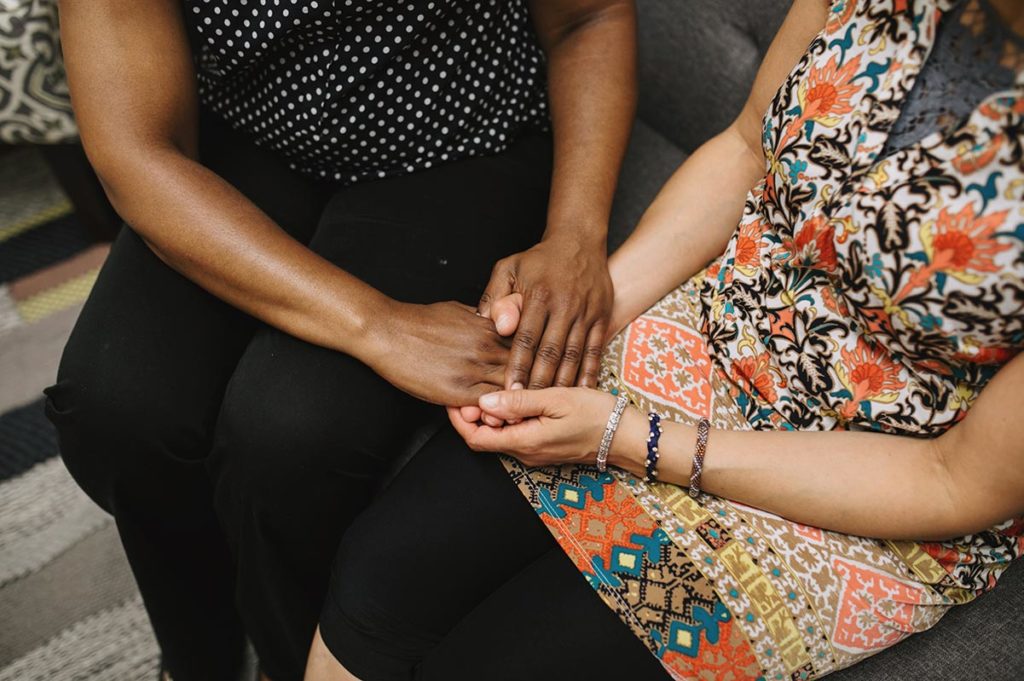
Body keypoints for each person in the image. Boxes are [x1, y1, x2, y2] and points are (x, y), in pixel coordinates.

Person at [306, 0, 1024, 679]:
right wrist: (579, 324)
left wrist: (626, 434)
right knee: (382, 567)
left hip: (873, 486)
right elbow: (748, 146)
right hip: (708, 327)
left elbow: (955, 478)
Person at [44, 1, 637, 680]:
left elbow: (588, 17)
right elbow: (133, 150)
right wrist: (376, 325)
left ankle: (286, 658)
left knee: (290, 428)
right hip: (248, 131)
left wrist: (575, 235)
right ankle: (200, 656)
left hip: (456, 137)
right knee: (116, 405)